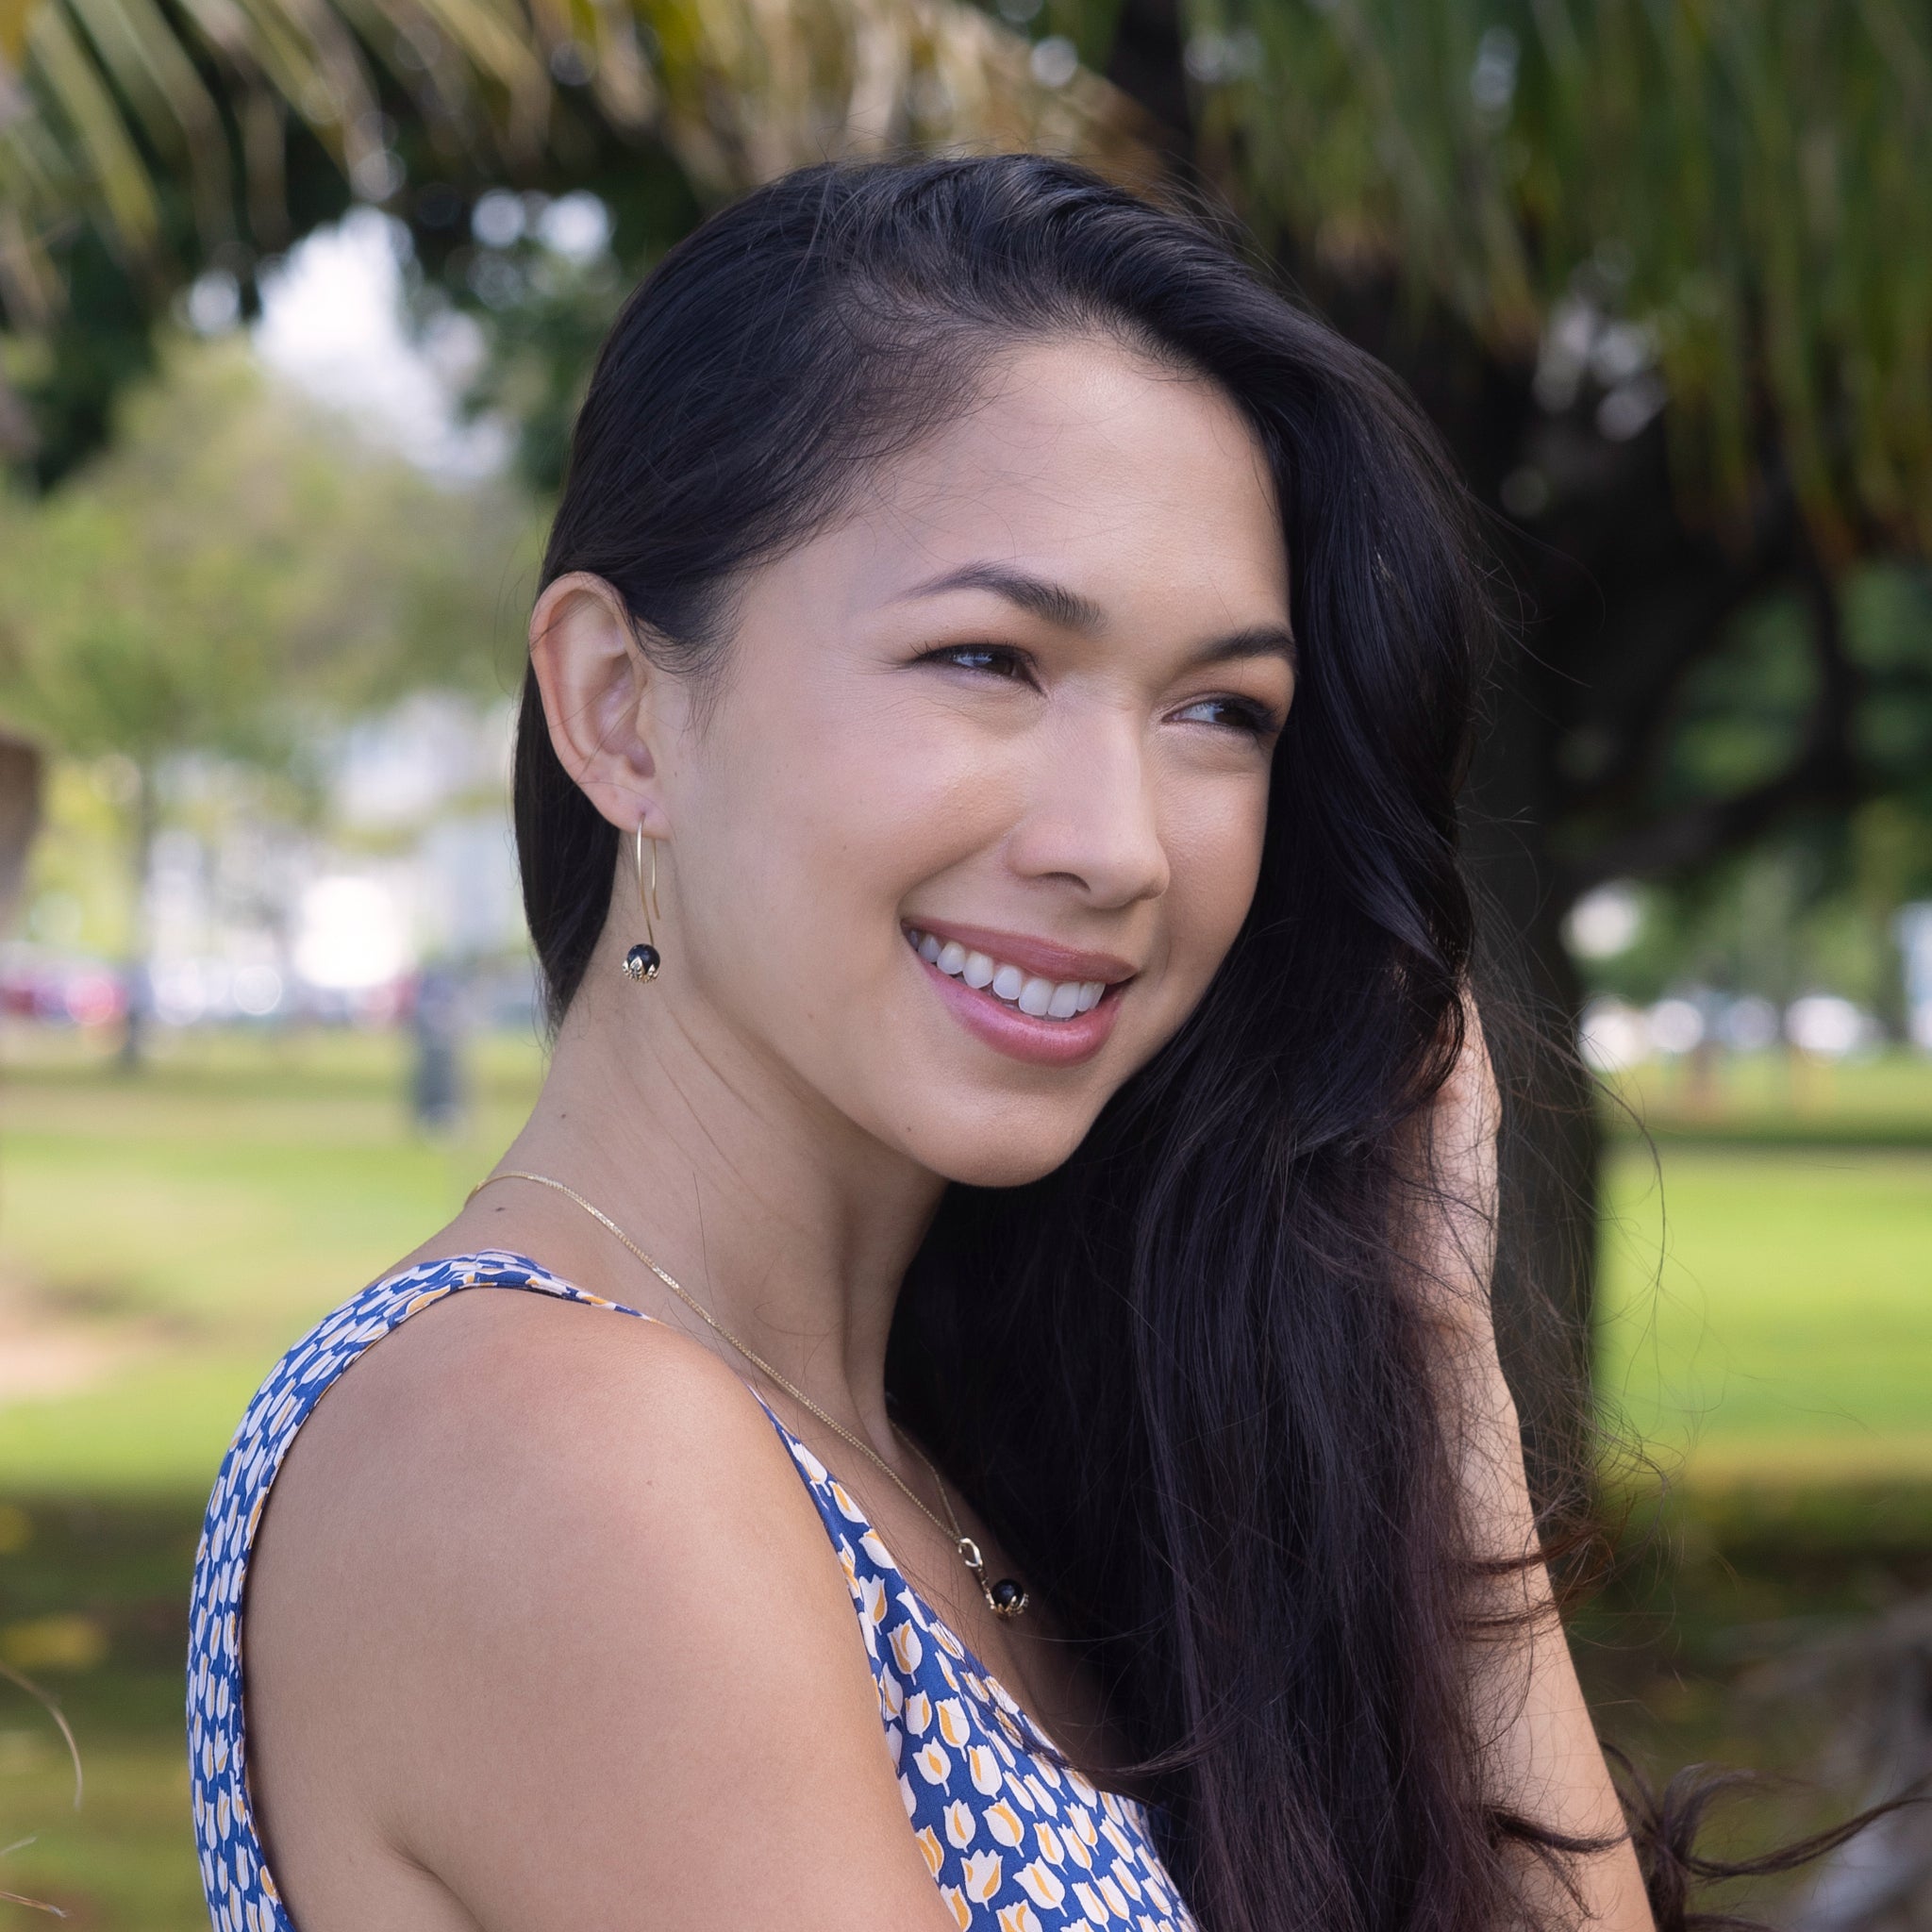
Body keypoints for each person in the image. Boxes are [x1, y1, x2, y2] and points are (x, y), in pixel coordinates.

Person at [187, 155, 1654, 1932]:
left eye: (1219, 710)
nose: (1116, 842)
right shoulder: (552, 1451)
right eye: (988, 659)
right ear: (620, 710)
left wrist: (1439, 1364)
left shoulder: (963, 1458)